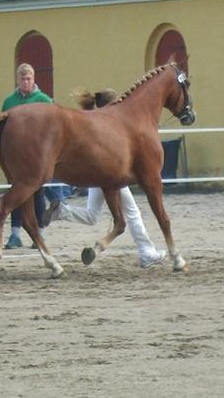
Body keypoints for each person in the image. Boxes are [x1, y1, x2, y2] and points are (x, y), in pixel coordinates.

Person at [44, 89, 166, 268]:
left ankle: (62, 211)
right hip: (112, 175)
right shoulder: (109, 122)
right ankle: (146, 251)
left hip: (98, 175)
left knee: (92, 215)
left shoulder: (98, 119)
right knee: (132, 212)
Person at [0, 63, 53, 248]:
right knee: (16, 195)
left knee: (38, 195)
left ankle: (40, 234)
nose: (25, 82)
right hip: (16, 157)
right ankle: (15, 234)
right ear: (18, 80)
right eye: (22, 79)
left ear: (34, 79)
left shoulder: (44, 100)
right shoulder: (9, 101)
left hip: (38, 157)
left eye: (28, 78)